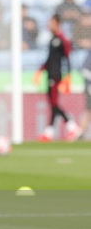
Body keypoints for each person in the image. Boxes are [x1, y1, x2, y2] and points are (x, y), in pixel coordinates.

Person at [34, 14, 81, 142]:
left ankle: (73, 127)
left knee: (54, 103)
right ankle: (49, 132)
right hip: (50, 74)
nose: (49, 25)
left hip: (56, 75)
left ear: (57, 24)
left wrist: (68, 76)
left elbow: (68, 57)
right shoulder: (52, 39)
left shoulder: (62, 40)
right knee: (52, 103)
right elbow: (49, 60)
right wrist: (40, 71)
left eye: (51, 23)